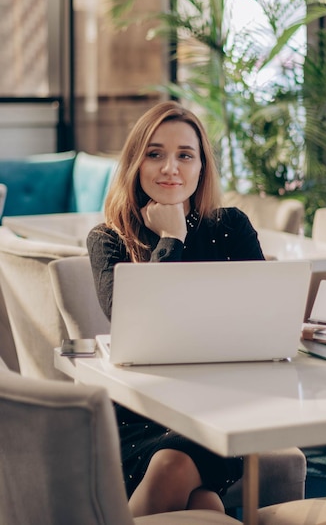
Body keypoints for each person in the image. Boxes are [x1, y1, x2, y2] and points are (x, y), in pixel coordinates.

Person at [87, 100, 265, 517]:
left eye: (185, 155)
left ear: (201, 166)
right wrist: (171, 239)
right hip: (140, 409)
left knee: (175, 471)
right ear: (135, 163)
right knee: (200, 501)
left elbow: (259, 316)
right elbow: (135, 320)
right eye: (155, 154)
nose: (171, 168)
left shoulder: (232, 227)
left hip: (221, 407)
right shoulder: (108, 239)